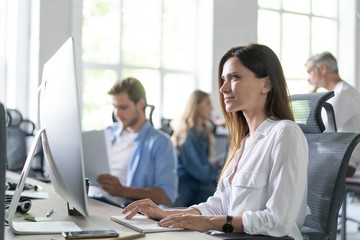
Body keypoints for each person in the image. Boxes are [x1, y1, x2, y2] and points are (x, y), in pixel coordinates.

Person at [122, 44, 309, 240]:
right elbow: (219, 205)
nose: (223, 88)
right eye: (223, 79)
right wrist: (166, 213)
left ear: (267, 84)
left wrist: (209, 223)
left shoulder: (285, 133)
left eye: (235, 77)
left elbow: (278, 221)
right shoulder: (243, 143)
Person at [88, 77, 178, 207]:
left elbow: (167, 196)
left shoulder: (161, 142)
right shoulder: (106, 133)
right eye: (115, 107)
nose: (117, 114)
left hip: (117, 209)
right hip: (90, 199)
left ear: (140, 104)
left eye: (123, 107)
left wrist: (122, 191)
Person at [306, 51, 360, 176]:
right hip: (336, 159)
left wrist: (311, 99)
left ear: (323, 68)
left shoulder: (343, 95)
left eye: (310, 72)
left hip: (341, 162)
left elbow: (319, 132)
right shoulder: (341, 92)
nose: (308, 78)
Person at [171, 90, 220, 207]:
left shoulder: (204, 131)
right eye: (208, 104)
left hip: (199, 184)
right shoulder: (188, 134)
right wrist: (219, 175)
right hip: (185, 185)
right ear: (197, 106)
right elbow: (199, 171)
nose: (212, 108)